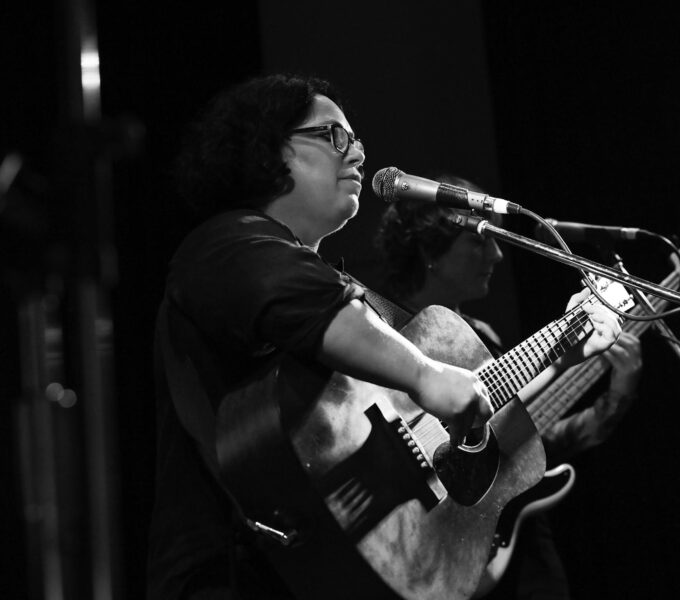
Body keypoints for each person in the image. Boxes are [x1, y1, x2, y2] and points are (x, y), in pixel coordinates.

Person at [146, 74, 621, 600]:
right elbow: (296, 297)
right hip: (234, 576)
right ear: (267, 148)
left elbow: (462, 407)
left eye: (358, 141)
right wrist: (425, 373)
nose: (357, 153)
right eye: (334, 136)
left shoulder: (345, 295)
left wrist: (563, 351)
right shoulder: (226, 243)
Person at [374, 178, 642, 600]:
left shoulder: (485, 338)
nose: (497, 254)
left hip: (515, 550)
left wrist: (612, 394)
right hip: (424, 541)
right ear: (430, 250)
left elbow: (530, 446)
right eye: (480, 240)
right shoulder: (379, 332)